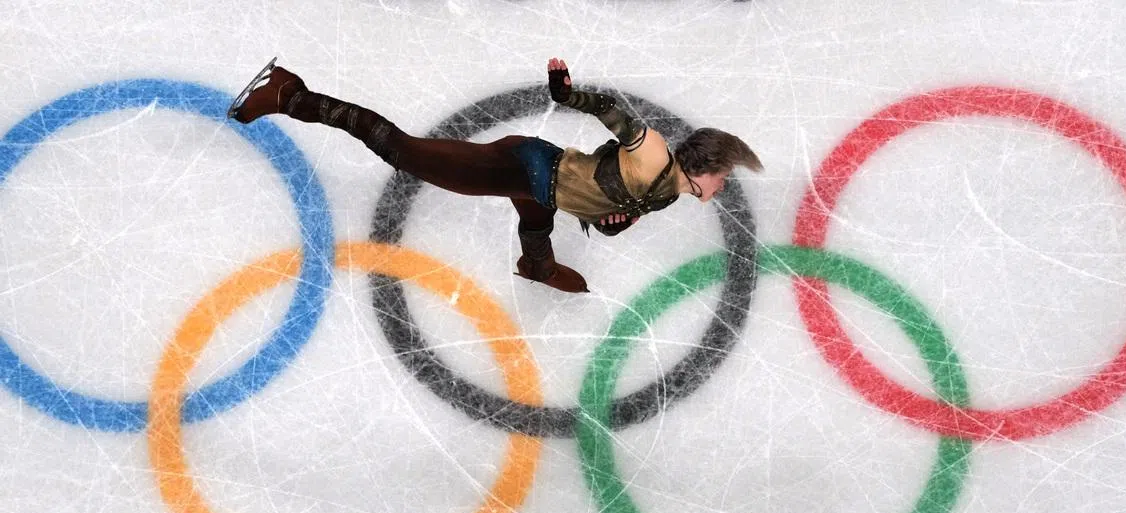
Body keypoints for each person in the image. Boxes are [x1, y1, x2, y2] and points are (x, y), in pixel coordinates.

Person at [228, 57, 763, 293]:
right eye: (725, 178)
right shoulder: (653, 157)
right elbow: (612, 113)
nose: (721, 190)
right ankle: (293, 94)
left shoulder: (669, 193)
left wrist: (613, 222)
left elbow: (604, 213)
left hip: (546, 184)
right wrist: (565, 94)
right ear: (707, 168)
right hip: (523, 165)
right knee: (403, 151)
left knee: (538, 218)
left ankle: (536, 267)